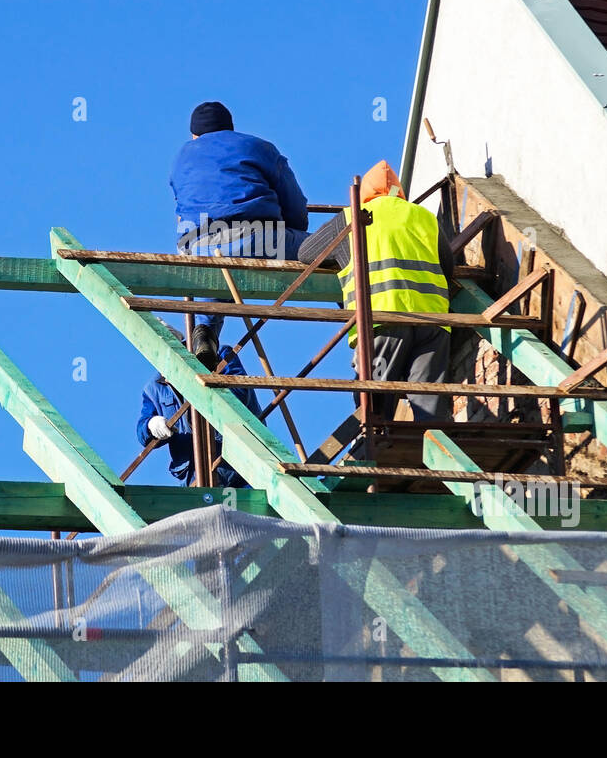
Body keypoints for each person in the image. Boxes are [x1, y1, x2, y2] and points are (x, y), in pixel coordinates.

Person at [298, 160, 454, 423]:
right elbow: (448, 267)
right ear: (399, 192)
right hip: (434, 323)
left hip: (381, 321)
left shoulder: (352, 216)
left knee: (373, 402)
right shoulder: (424, 217)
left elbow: (306, 254)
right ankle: (439, 451)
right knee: (430, 405)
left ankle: (371, 450)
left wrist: (341, 259)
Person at [170, 101, 309, 367]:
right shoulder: (258, 147)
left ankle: (205, 333)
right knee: (333, 249)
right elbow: (296, 208)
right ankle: (364, 337)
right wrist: (291, 231)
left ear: (194, 135)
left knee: (216, 268)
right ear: (230, 128)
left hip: (196, 246)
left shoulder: (181, 157)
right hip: (257, 238)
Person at [136, 326, 261, 488]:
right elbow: (141, 429)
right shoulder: (155, 388)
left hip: (238, 464)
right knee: (204, 512)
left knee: (247, 509)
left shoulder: (219, 355)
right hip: (195, 474)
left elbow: (240, 393)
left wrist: (202, 386)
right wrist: (151, 425)